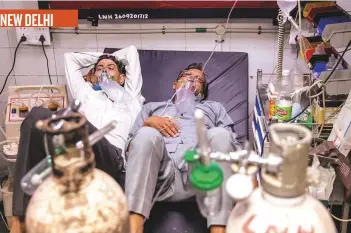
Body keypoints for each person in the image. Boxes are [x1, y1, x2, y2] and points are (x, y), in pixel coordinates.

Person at [11, 45, 144, 233]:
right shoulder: (85, 92)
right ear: (92, 76)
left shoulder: (131, 96)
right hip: (72, 150)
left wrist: (108, 58)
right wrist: (103, 63)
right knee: (36, 116)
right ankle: (19, 219)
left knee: (73, 120)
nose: (105, 70)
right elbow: (70, 58)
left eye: (110, 68)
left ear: (122, 78)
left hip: (109, 157)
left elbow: (131, 52)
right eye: (100, 69)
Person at [125, 63, 240, 233]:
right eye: (187, 76)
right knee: (146, 134)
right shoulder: (152, 108)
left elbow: (232, 145)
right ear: (175, 85)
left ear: (202, 90)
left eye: (198, 79)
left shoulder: (214, 108)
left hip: (200, 175)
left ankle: (219, 230)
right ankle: (133, 229)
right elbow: (130, 146)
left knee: (220, 134)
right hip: (158, 176)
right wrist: (147, 123)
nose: (192, 79)